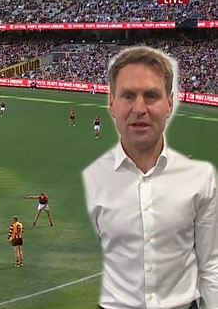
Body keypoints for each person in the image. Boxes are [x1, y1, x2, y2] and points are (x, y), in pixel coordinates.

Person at [82, 46, 218, 309]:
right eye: (128, 95)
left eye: (151, 95)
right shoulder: (94, 178)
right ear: (111, 103)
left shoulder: (199, 178)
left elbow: (212, 264)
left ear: (170, 103)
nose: (139, 108)